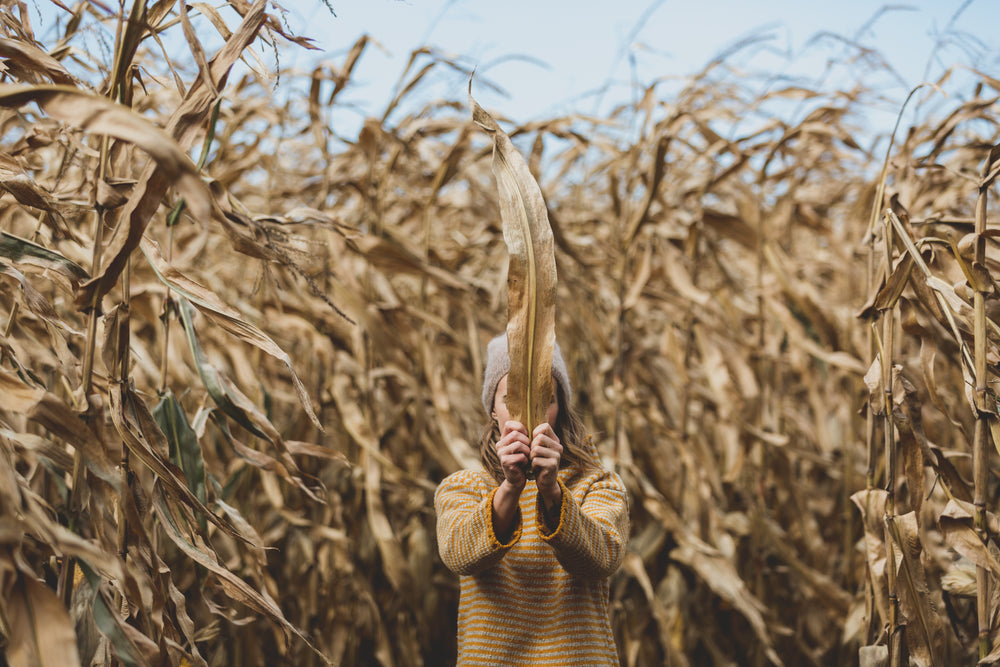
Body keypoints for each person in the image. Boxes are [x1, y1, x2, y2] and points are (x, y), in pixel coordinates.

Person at [435, 333, 630, 666]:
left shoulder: (597, 484)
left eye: (545, 399)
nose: (525, 415)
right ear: (493, 411)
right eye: (510, 399)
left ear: (560, 409)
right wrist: (511, 488)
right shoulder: (464, 487)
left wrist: (552, 490)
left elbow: (603, 558)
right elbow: (458, 554)